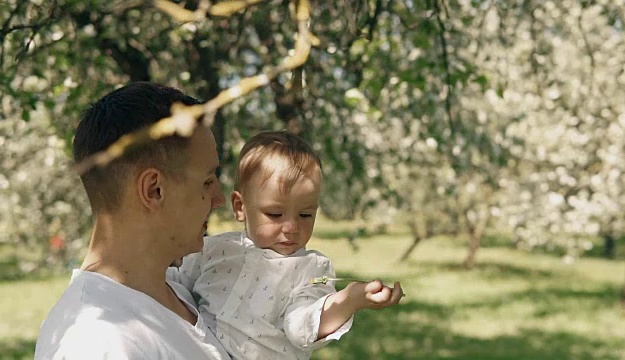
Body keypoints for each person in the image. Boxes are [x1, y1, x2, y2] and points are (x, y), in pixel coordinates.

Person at [35, 82, 231, 360]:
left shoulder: (174, 291)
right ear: (154, 190)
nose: (219, 198)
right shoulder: (99, 342)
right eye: (207, 181)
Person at [168, 131, 404, 360]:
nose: (291, 227)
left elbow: (301, 328)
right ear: (240, 207)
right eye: (275, 214)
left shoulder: (310, 269)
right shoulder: (213, 250)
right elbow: (171, 284)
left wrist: (349, 300)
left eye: (305, 215)